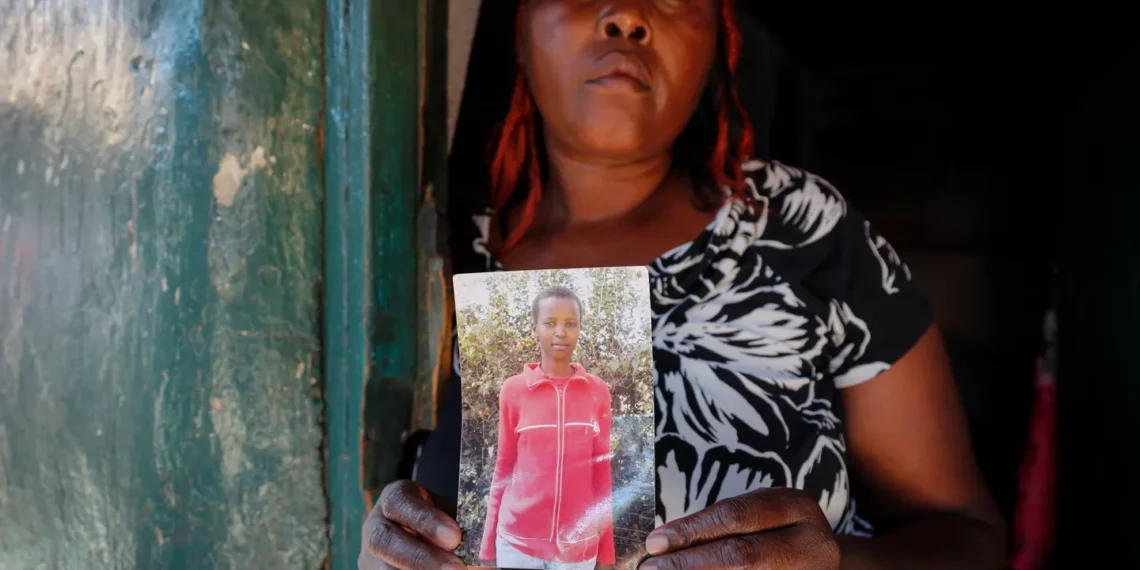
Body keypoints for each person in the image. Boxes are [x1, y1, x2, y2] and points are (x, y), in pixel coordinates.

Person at [361, 1, 1006, 569]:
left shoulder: (805, 232)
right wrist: (383, 551)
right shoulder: (431, 259)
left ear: (718, 39)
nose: (626, 16)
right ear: (520, 25)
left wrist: (845, 567)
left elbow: (971, 539)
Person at [478, 285, 616, 570]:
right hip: (517, 546)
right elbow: (503, 469)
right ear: (535, 328)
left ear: (579, 329)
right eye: (550, 323)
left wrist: (607, 554)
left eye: (570, 323)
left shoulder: (598, 391)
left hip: (577, 552)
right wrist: (487, 548)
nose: (561, 332)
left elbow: (602, 476)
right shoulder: (513, 390)